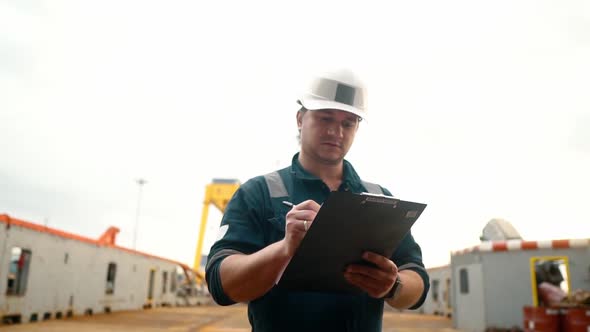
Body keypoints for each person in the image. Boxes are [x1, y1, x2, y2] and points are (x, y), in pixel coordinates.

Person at [205, 69, 429, 331]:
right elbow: (221, 284)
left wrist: (393, 286)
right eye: (325, 118)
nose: (336, 131)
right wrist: (285, 249)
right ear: (300, 118)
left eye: (348, 123)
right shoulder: (260, 193)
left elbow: (417, 281)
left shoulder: (380, 200)